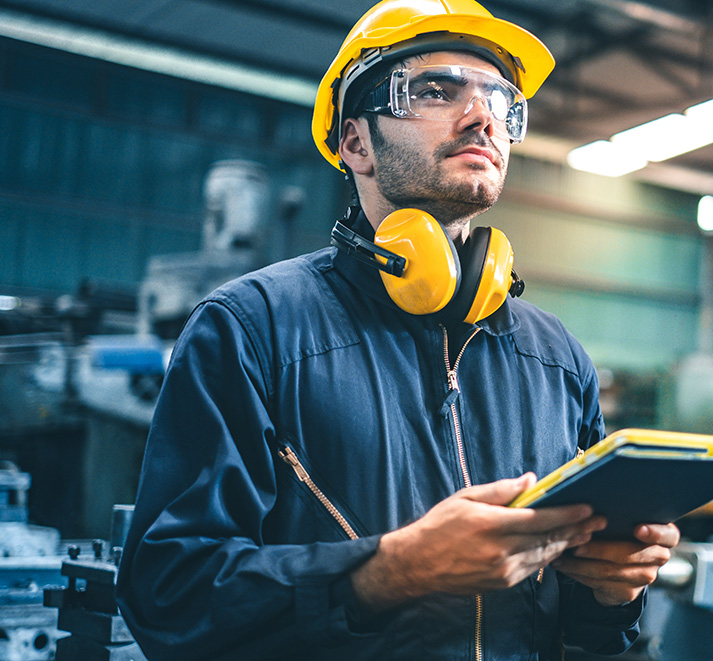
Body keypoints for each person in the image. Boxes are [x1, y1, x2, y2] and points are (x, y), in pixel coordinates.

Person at [116, 0, 680, 658]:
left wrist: (614, 592)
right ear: (355, 142)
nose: (482, 117)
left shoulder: (556, 358)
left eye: (500, 100)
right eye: (436, 90)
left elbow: (584, 636)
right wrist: (393, 571)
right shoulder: (251, 328)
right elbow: (169, 598)